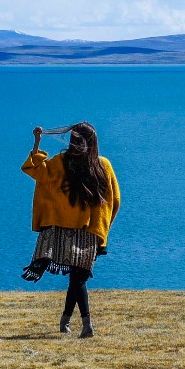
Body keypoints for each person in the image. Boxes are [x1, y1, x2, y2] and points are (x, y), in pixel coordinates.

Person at [20, 123, 120, 338]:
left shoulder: (60, 163)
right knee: (78, 279)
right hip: (90, 230)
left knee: (77, 280)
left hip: (62, 229)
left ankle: (69, 322)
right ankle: (83, 325)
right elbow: (115, 200)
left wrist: (37, 144)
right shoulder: (103, 165)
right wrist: (104, 227)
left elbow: (34, 171)